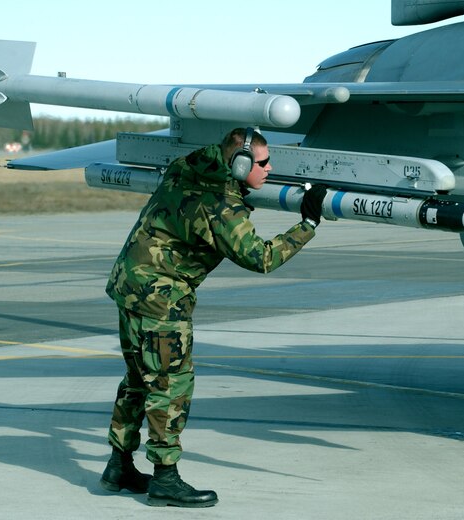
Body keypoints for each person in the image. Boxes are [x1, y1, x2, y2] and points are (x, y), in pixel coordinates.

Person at [99, 127, 327, 508]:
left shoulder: (185, 168)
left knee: (138, 380)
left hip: (128, 287)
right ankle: (165, 478)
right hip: (162, 301)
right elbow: (261, 258)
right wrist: (308, 225)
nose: (270, 169)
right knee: (171, 386)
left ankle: (118, 465)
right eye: (263, 163)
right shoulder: (220, 205)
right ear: (238, 164)